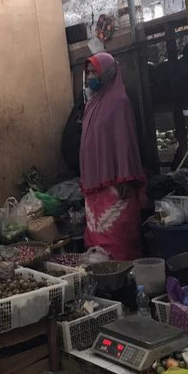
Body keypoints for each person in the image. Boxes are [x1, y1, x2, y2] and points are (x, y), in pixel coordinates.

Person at [80, 52, 147, 261]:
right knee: (97, 241)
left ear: (108, 73)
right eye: (88, 72)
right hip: (94, 188)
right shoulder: (91, 104)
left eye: (94, 72)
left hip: (117, 186)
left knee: (118, 238)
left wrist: (124, 177)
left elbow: (124, 141)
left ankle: (124, 277)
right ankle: (101, 279)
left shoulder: (119, 102)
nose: (90, 76)